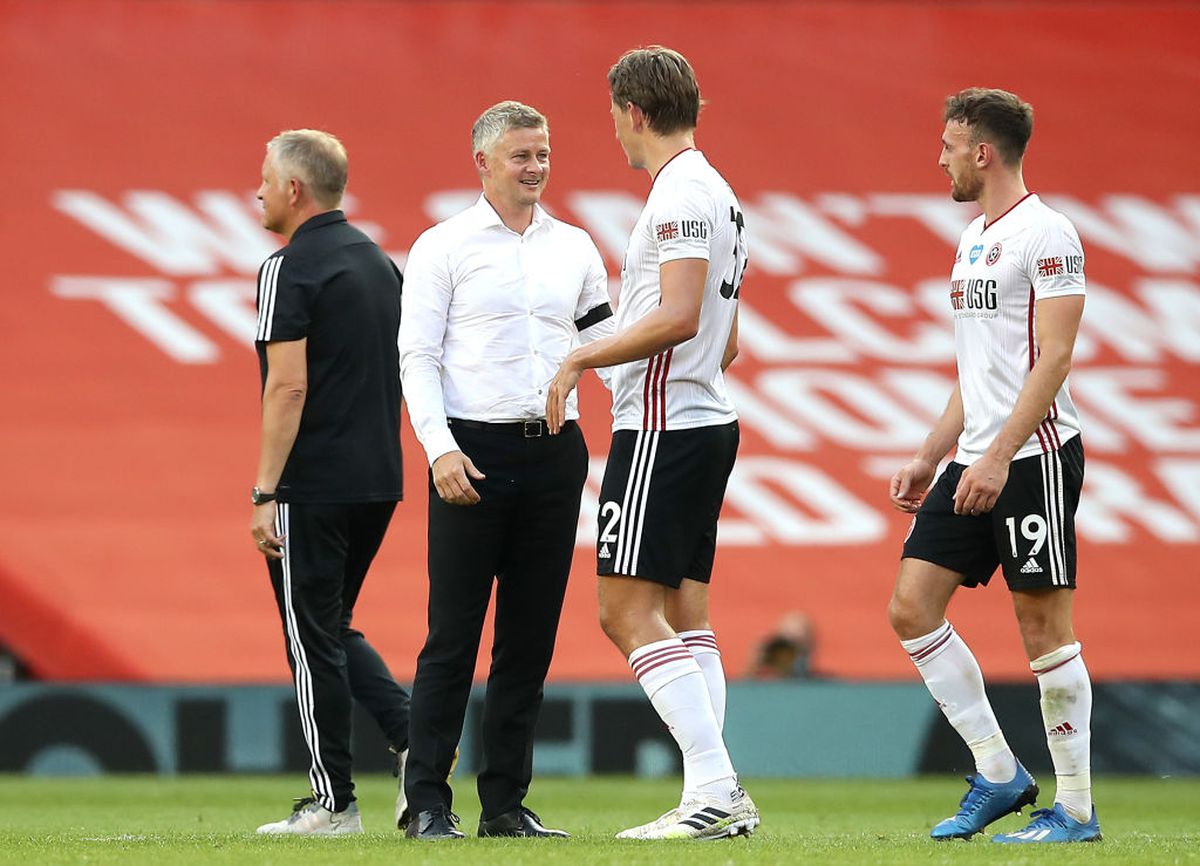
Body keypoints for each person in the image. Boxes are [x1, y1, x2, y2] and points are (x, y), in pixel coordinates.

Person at [545, 46, 758, 841]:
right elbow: (727, 340)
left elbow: (680, 315)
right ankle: (713, 792)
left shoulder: (678, 196)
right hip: (704, 419)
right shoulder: (721, 195)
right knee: (684, 611)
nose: (614, 129)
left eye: (614, 114)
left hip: (665, 426)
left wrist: (582, 357)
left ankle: (715, 786)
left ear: (633, 111)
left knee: (624, 610)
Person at [886, 88, 1100, 844]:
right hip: (975, 456)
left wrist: (1001, 456)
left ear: (983, 152)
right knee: (912, 607)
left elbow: (1055, 357)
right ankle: (1001, 771)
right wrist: (931, 453)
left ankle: (1076, 810)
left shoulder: (1049, 234)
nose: (939, 158)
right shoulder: (973, 237)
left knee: (1042, 626)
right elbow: (978, 368)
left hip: (1034, 456)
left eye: (949, 145)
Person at [398, 100, 615, 841]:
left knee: (529, 640)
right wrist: (439, 448)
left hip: (555, 453)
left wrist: (646, 406)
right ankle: (427, 802)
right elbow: (417, 357)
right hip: (472, 453)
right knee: (452, 636)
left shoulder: (576, 246)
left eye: (543, 154)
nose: (535, 167)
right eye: (521, 155)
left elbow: (606, 345)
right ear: (483, 162)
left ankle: (504, 806)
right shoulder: (442, 246)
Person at [248, 129, 412, 835]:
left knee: (310, 638)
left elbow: (287, 386)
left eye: (265, 179)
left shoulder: (288, 268)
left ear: (294, 189)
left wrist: (265, 491)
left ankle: (333, 802)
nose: (257, 191)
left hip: (312, 483)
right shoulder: (379, 263)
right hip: (378, 477)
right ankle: (414, 737)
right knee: (331, 625)